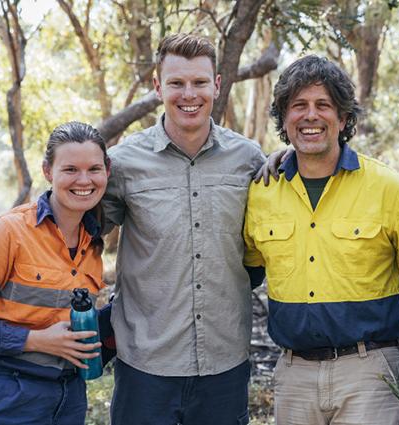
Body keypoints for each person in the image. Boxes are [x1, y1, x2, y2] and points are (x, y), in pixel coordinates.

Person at [102, 33, 265, 425]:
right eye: (176, 83)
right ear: (158, 87)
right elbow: (76, 237)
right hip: (145, 364)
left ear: (217, 85)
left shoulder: (249, 160)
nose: (188, 94)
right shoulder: (121, 163)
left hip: (224, 363)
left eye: (199, 82)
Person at [243, 55, 399, 425]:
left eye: (323, 105)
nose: (310, 116)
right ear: (284, 120)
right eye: (298, 106)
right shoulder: (261, 191)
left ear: (344, 118)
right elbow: (249, 269)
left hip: (370, 373)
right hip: (294, 374)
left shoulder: (390, 188)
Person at [0, 121, 110, 425]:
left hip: (69, 398)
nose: (84, 180)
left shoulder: (93, 246)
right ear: (47, 171)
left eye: (94, 169)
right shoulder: (5, 232)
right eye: (70, 169)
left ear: (107, 171)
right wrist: (35, 340)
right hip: (3, 397)